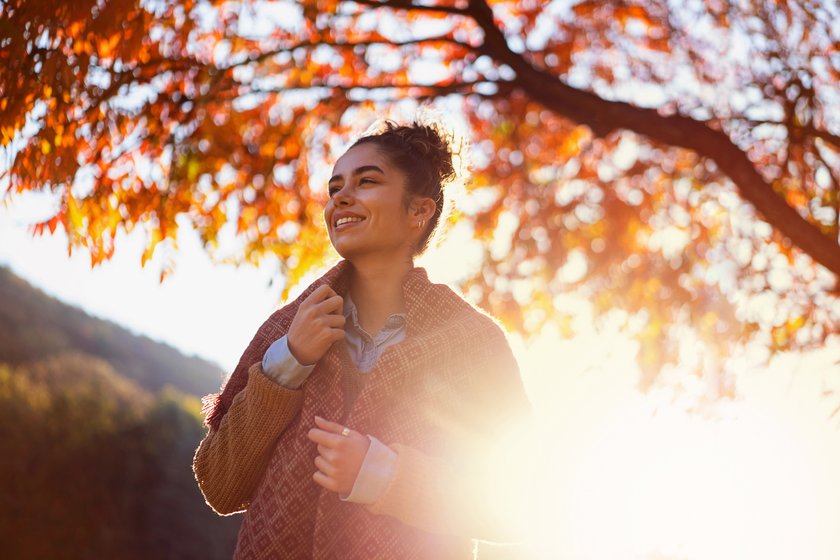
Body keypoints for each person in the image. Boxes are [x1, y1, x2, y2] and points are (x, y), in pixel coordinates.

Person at [193, 120, 531, 559]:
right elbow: (219, 483)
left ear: (418, 212)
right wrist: (289, 362)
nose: (341, 198)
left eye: (366, 181)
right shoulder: (287, 330)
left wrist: (382, 475)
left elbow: (519, 504)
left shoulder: (469, 342)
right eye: (335, 188)